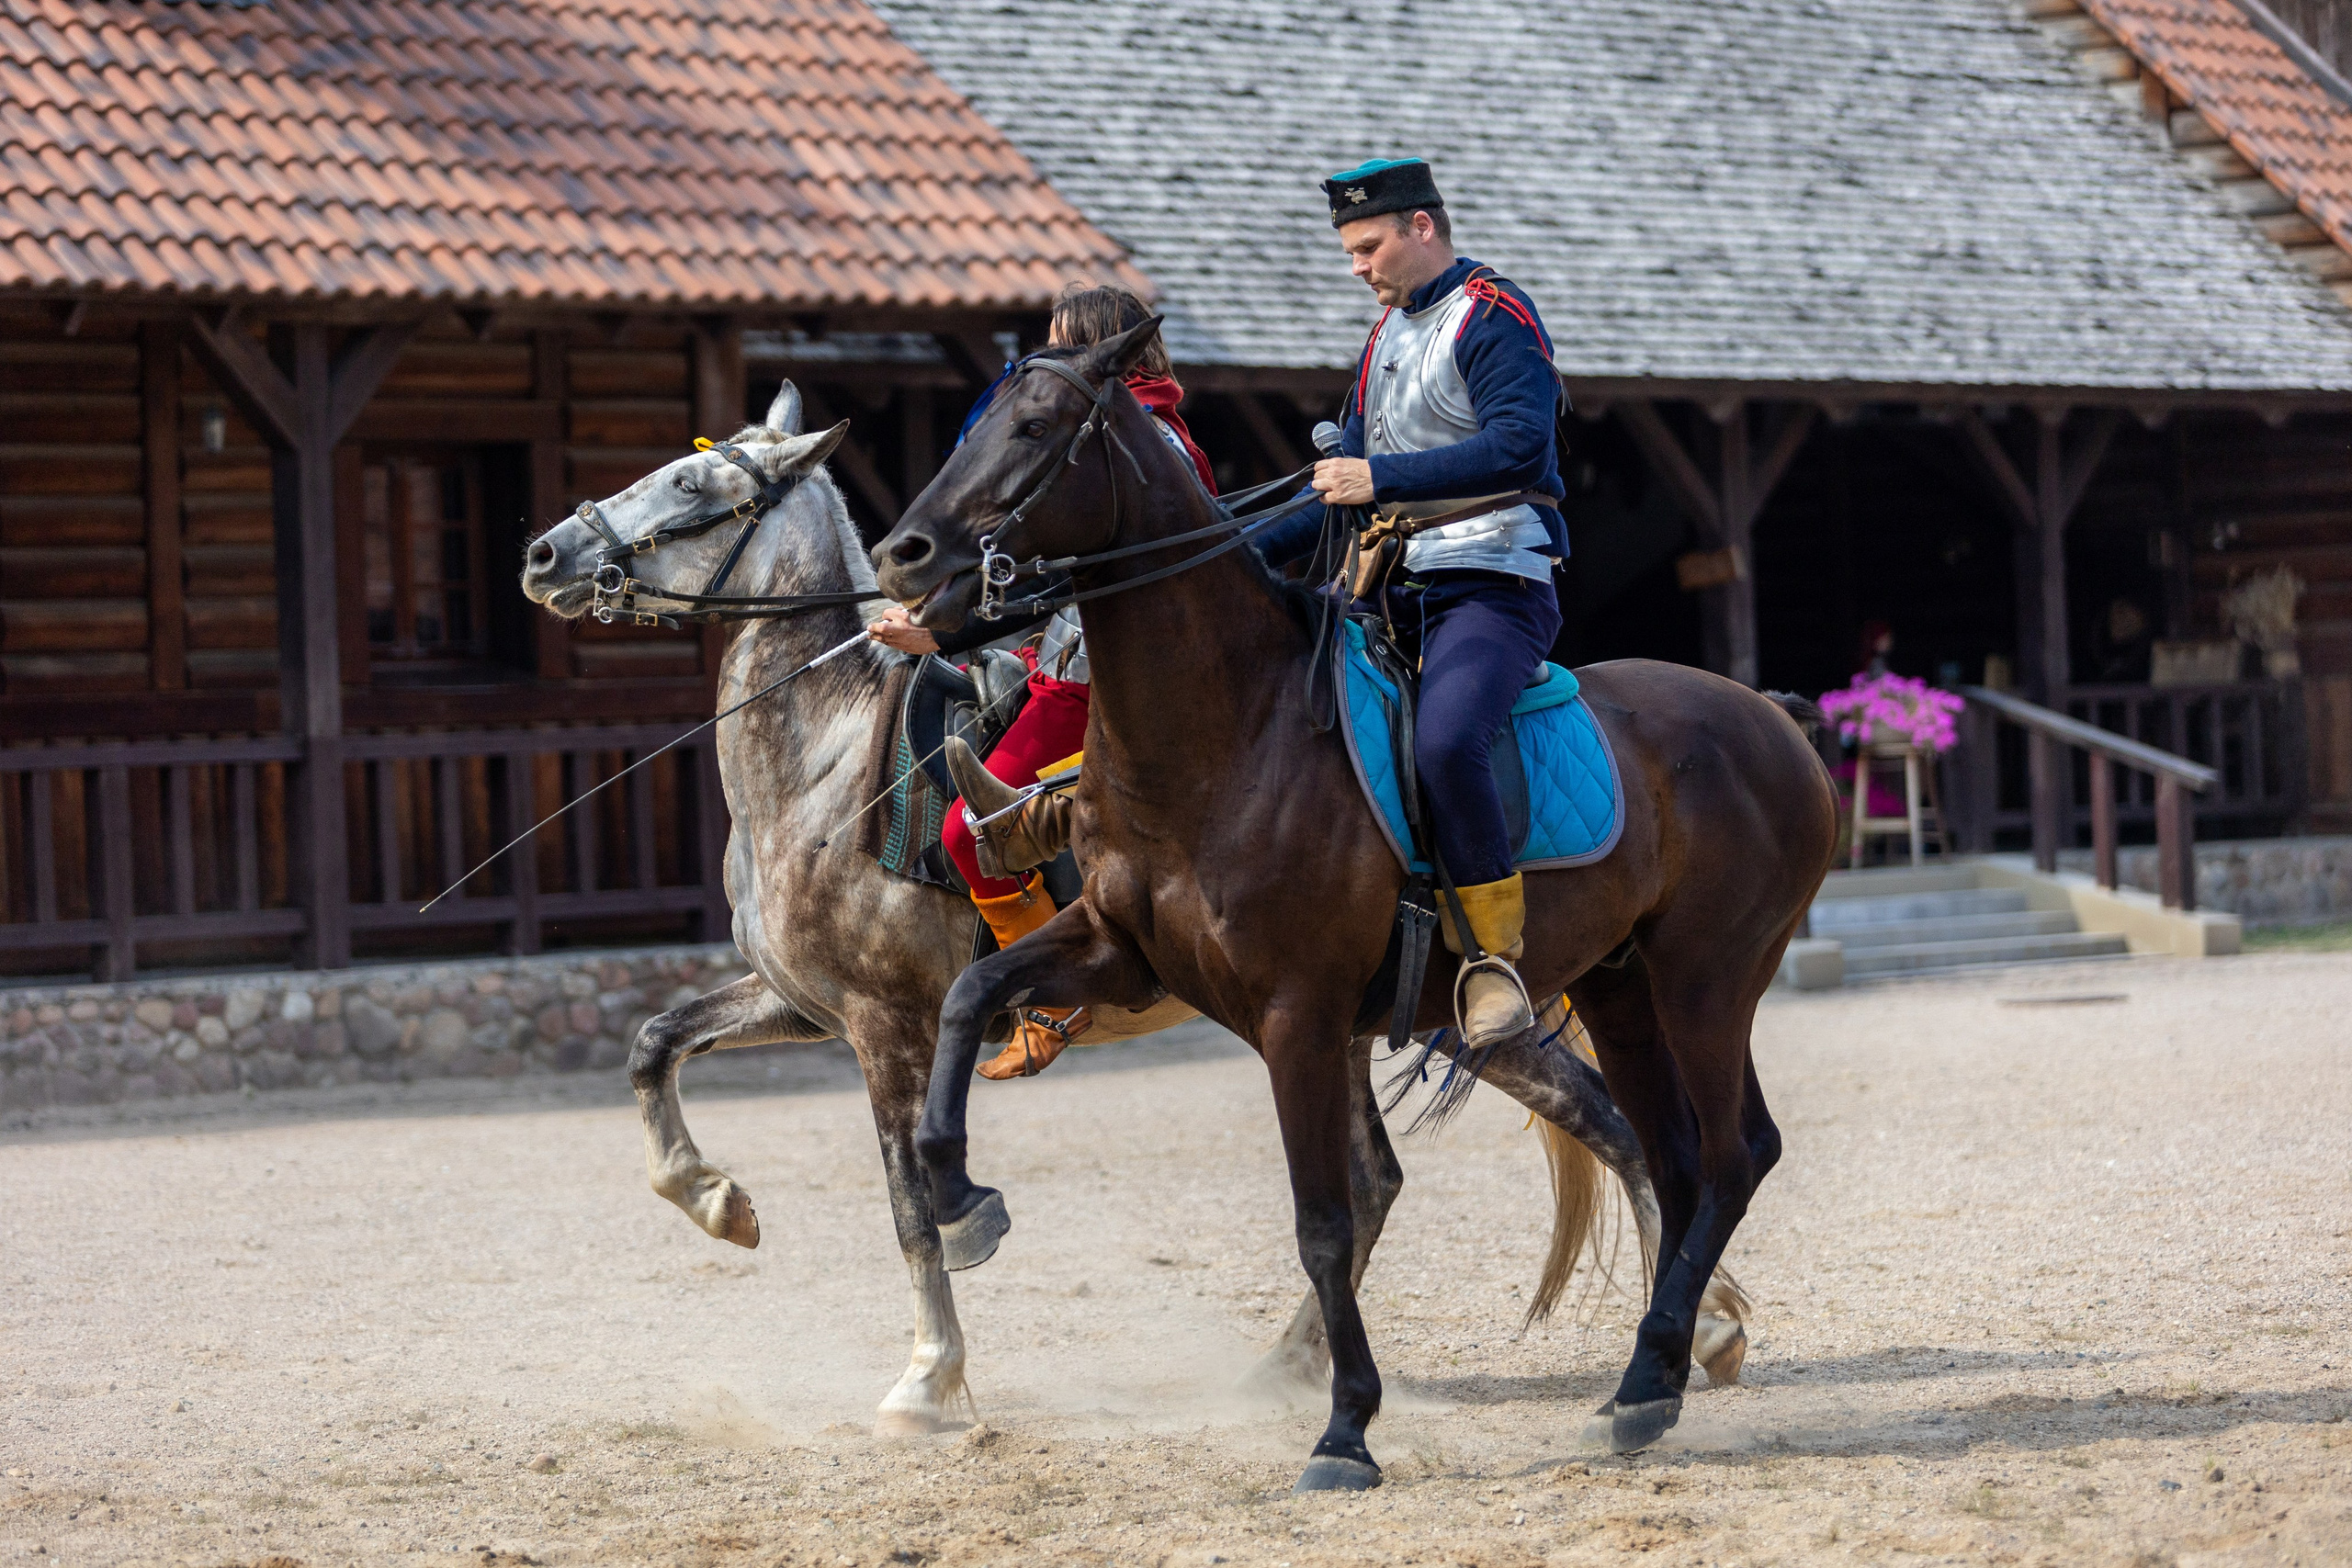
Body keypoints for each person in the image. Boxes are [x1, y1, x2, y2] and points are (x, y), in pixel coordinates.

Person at [868, 283, 1216, 1078]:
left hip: (1092, 687)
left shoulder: (1136, 439)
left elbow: (1071, 582)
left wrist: (946, 630)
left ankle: (1056, 1000)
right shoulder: (1139, 429)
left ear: (1097, 345)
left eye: (1062, 340)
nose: (1048, 356)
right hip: (1055, 666)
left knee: (967, 830)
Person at [1257, 156, 1567, 1049]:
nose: (1357, 266)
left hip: (1496, 587)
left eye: (1367, 246)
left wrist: (1379, 476)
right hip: (1391, 592)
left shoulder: (1496, 317)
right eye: (1349, 251)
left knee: (1444, 740)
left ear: (1420, 228)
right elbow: (1335, 492)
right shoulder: (1381, 339)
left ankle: (1493, 961)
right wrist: (1226, 556)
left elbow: (1519, 449)